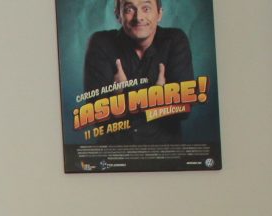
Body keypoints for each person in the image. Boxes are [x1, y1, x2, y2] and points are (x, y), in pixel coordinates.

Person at [82, 0, 194, 141]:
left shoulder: (175, 40)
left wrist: (120, 95)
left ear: (159, 14)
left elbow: (183, 111)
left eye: (146, 8)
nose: (138, 17)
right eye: (129, 9)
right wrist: (159, 97)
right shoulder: (100, 43)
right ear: (118, 15)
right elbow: (95, 113)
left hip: (163, 149)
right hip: (116, 150)